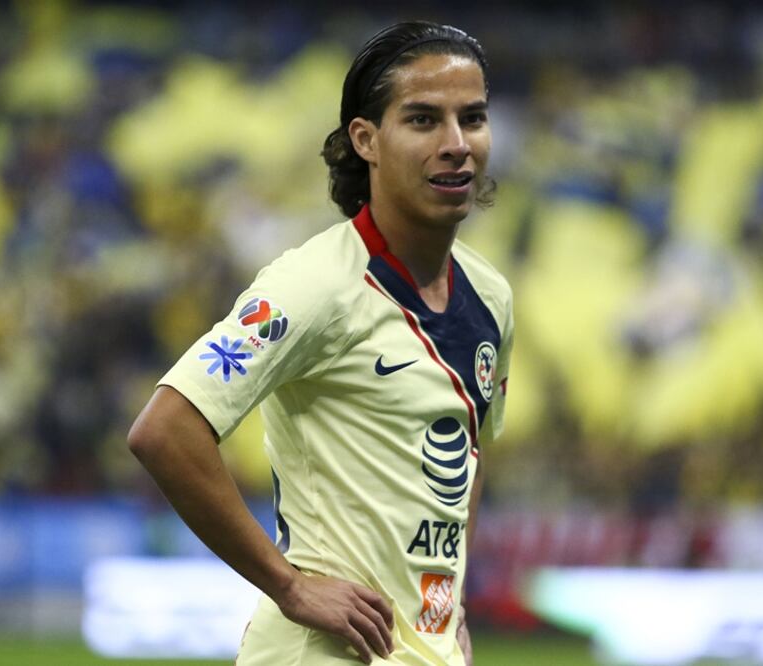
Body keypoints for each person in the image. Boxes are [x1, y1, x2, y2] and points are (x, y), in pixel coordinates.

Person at [128, 21, 513, 666]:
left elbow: (464, 457)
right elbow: (163, 430)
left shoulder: (491, 295)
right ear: (366, 140)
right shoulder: (315, 285)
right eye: (422, 121)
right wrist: (289, 586)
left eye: (471, 119)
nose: (456, 144)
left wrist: (453, 607)